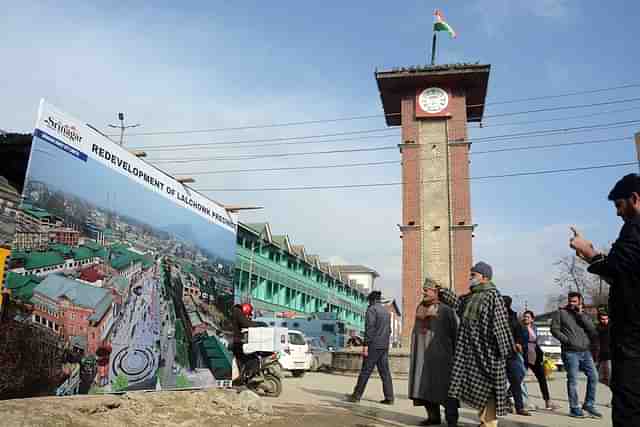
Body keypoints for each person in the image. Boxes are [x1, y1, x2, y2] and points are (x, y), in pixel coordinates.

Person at [570, 173, 640, 426]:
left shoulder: (635, 226)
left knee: (629, 407)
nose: (618, 213)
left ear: (635, 198)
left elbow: (617, 268)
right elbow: (626, 274)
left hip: (632, 337)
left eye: (619, 205)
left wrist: (588, 252)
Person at [439, 262, 514, 427]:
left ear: (485, 277)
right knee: (478, 387)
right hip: (471, 352)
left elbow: (500, 325)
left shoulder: (493, 295)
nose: (470, 277)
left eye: (474, 275)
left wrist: (504, 353)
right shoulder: (472, 296)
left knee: (490, 388)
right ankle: (484, 421)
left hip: (487, 352)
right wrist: (443, 291)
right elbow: (458, 304)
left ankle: (489, 423)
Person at [409, 277, 459, 427]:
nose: (423, 292)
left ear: (436, 291)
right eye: (424, 289)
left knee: (445, 389)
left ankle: (452, 420)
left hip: (442, 358)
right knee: (423, 387)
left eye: (427, 289)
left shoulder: (446, 310)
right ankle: (433, 417)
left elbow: (455, 333)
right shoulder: (420, 307)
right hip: (421, 357)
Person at [551, 292, 601, 418]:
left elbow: (592, 329)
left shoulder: (584, 314)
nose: (572, 303)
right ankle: (574, 408)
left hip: (585, 351)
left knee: (594, 376)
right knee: (573, 380)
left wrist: (580, 314)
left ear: (580, 301)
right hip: (570, 352)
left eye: (574, 301)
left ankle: (589, 404)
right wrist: (567, 340)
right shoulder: (561, 313)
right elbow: (554, 329)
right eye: (570, 301)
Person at [347, 290, 394, 404]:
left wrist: (366, 345)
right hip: (384, 346)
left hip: (373, 345)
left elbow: (370, 328)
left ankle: (356, 396)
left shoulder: (372, 310)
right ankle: (389, 398)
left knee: (365, 371)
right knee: (385, 373)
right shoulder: (386, 312)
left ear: (371, 300)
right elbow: (389, 330)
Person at [521, 310, 559, 410]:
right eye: (525, 316)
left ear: (532, 319)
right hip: (524, 354)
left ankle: (547, 401)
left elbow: (537, 341)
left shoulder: (534, 328)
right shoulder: (520, 328)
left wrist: (542, 355)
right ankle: (511, 398)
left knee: (541, 377)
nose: (526, 318)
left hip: (535, 354)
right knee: (519, 378)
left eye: (528, 317)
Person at [502, 295, 530, 416]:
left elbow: (520, 332)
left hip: (512, 354)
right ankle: (501, 405)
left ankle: (519, 407)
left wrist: (519, 342)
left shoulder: (513, 317)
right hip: (498, 354)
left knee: (517, 378)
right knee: (498, 382)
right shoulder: (494, 316)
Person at [230, 303, 260, 373]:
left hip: (234, 339)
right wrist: (259, 324)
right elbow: (246, 323)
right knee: (244, 356)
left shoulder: (235, 311)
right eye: (248, 314)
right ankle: (242, 374)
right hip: (235, 341)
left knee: (242, 356)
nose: (247, 316)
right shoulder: (237, 311)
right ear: (246, 310)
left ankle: (242, 374)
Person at [595, 311, 611, 387]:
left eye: (606, 319)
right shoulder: (597, 329)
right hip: (601, 356)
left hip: (610, 355)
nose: (605, 321)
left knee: (609, 376)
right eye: (602, 319)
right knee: (601, 378)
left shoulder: (611, 328)